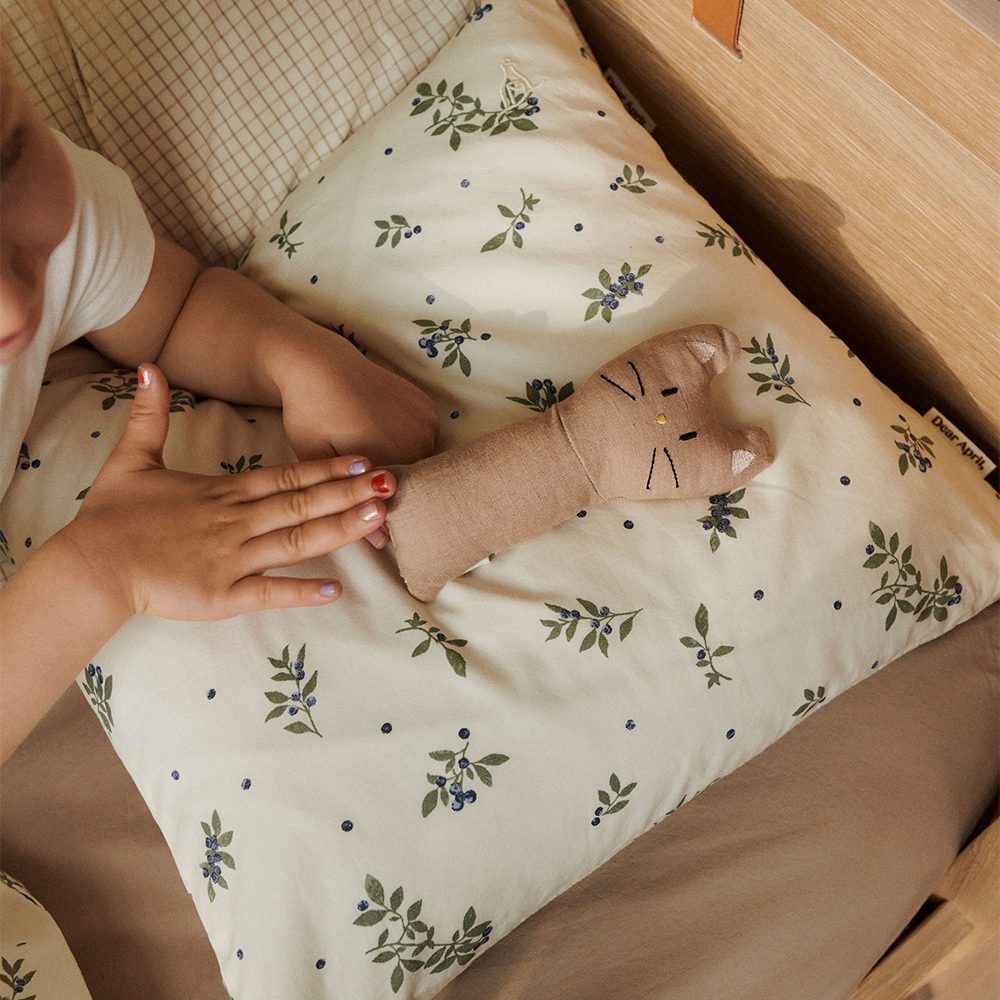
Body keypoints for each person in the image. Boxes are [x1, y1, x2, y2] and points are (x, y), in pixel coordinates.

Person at [0, 51, 440, 762]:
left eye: (9, 159)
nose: (15, 307)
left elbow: (170, 310)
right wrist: (97, 569)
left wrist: (298, 359)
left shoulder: (55, 211)